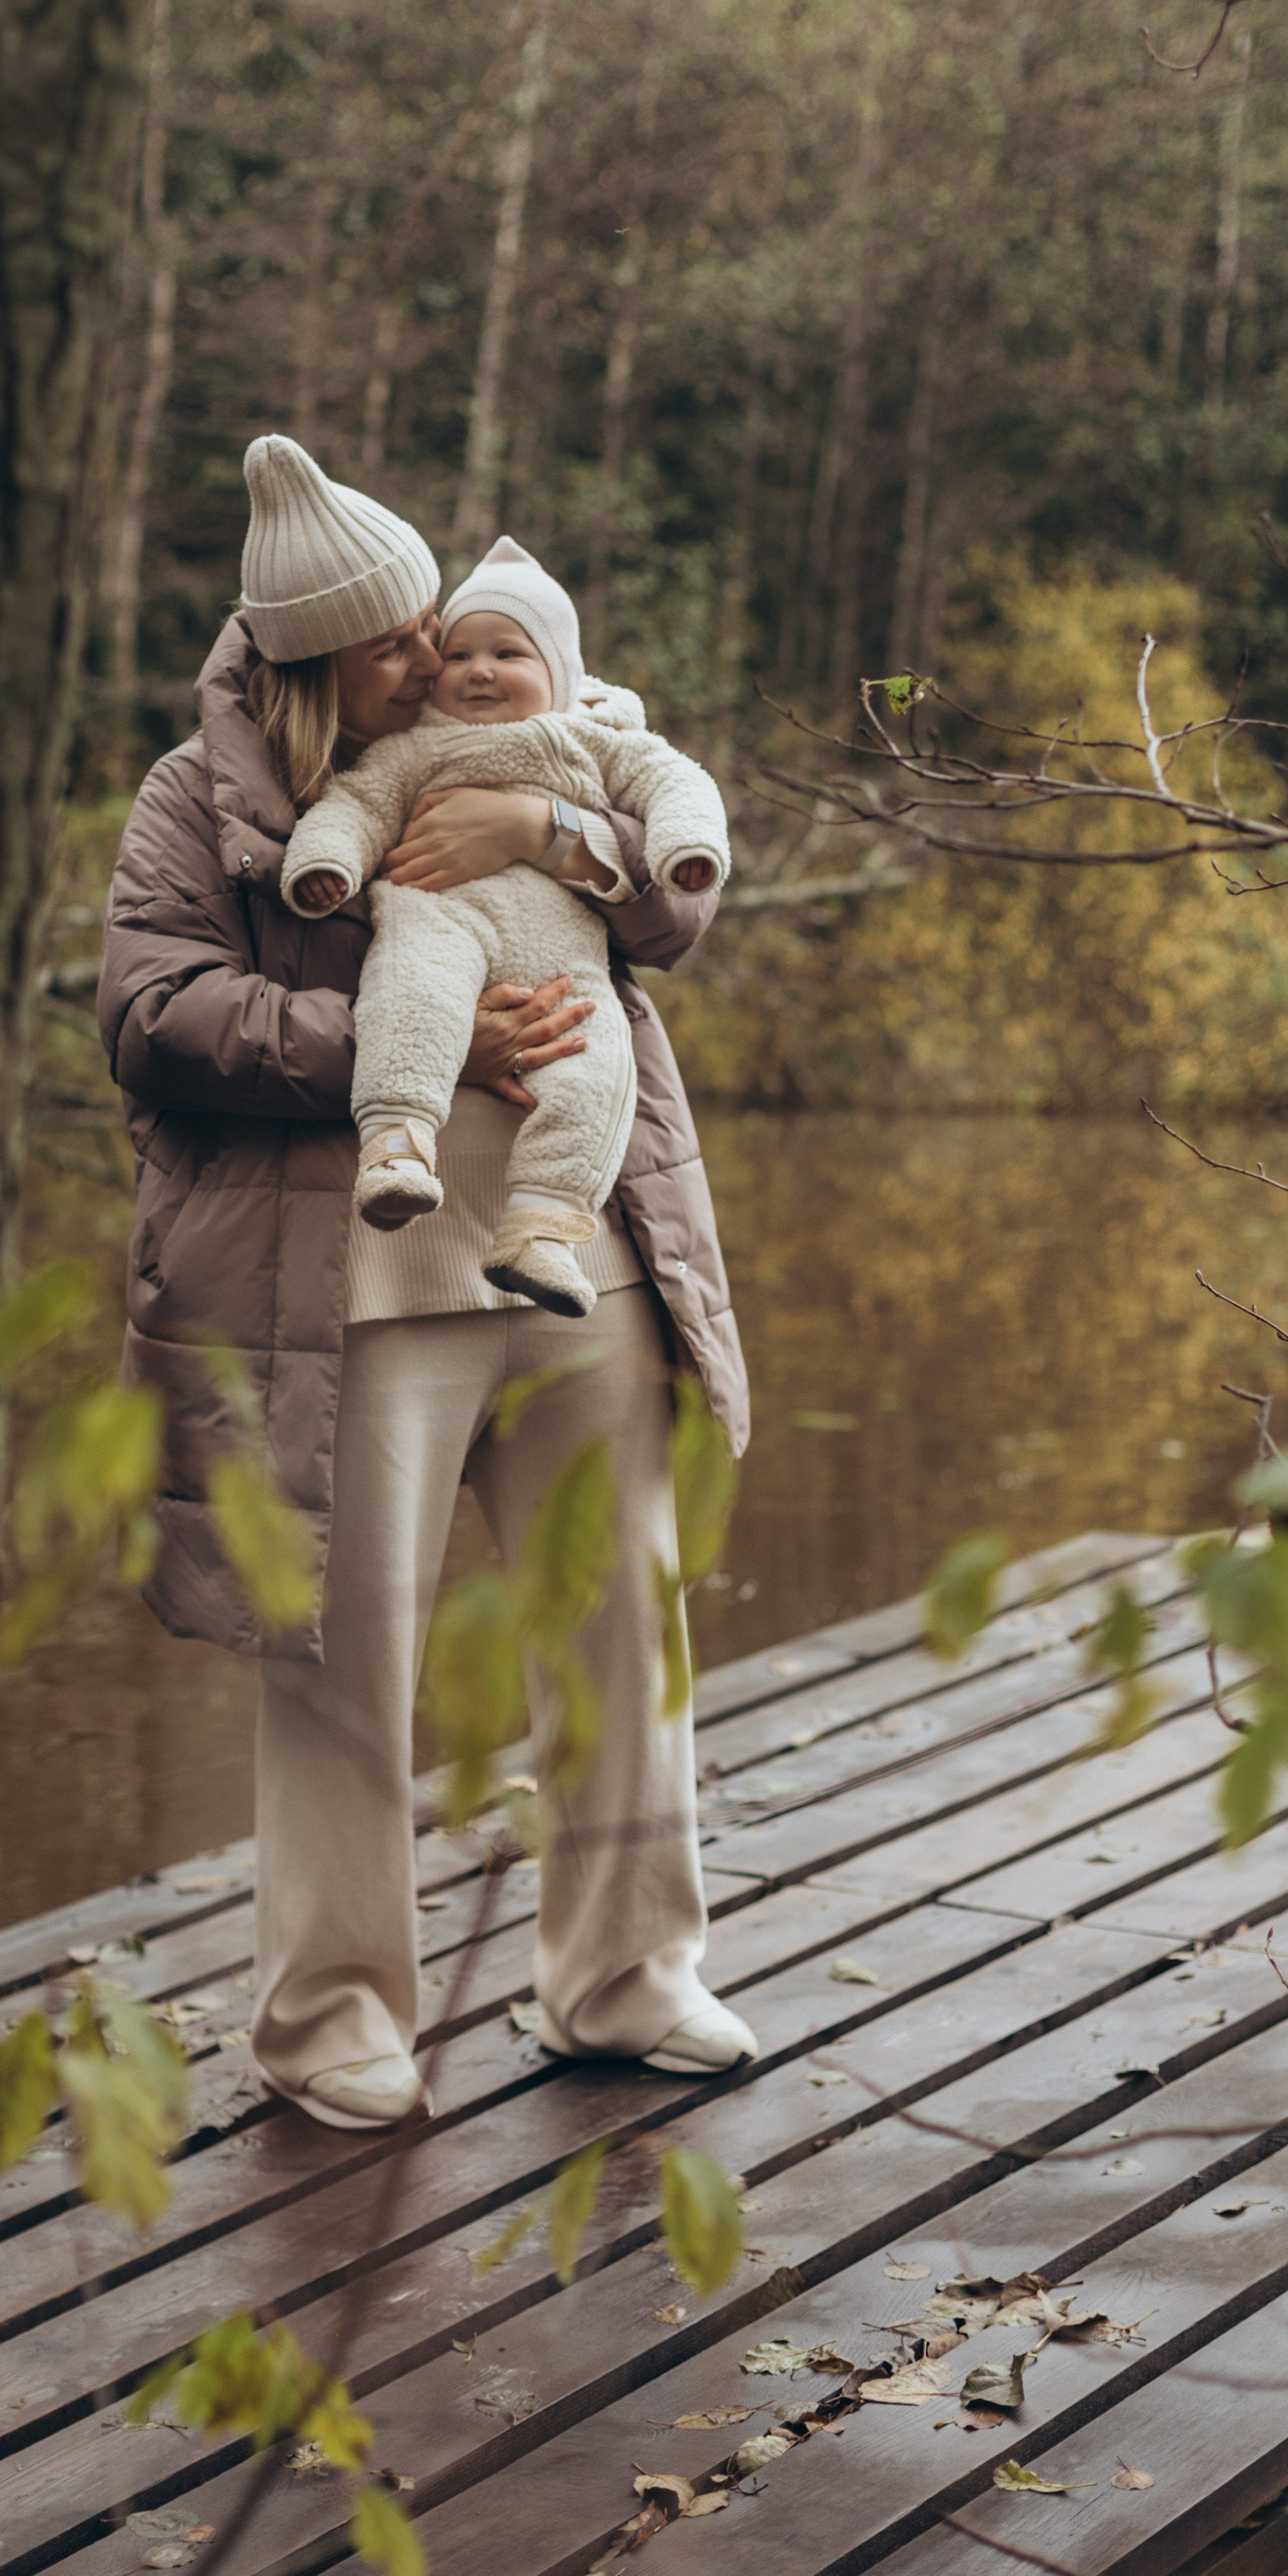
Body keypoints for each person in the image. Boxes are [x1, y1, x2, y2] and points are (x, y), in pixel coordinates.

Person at [97, 432, 753, 2133]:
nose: (432, 648)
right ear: (318, 654)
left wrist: (552, 828)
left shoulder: (510, 725)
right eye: (395, 636)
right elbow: (151, 1017)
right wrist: (410, 1043)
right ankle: (333, 2024)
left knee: (624, 1617)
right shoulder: (203, 799)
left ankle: (624, 1980)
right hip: (350, 1291)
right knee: (336, 1661)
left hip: (574, 1252)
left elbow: (671, 901)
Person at [281, 535, 731, 1320]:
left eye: (508, 653)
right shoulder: (411, 747)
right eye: (458, 655)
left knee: (595, 1068)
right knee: (411, 1001)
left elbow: (675, 781)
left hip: (563, 951)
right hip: (436, 915)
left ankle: (543, 1227)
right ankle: (396, 1144)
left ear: (558, 674)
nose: (479, 669)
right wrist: (328, 865)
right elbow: (355, 807)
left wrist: (683, 848)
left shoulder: (590, 739)